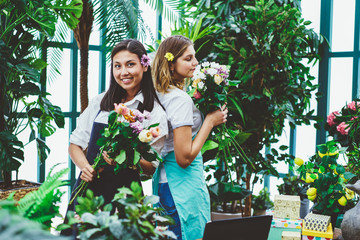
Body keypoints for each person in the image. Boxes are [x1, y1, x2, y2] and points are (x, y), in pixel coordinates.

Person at [61, 39, 167, 236]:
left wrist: (128, 157)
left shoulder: (155, 114)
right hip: (88, 193)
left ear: (144, 66)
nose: (123, 72)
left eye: (130, 64)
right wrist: (85, 167)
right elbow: (75, 145)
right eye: (117, 66)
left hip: (125, 198)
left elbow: (150, 169)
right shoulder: (99, 103)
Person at [151, 35, 228, 240]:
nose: (195, 63)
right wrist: (210, 121)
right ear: (171, 63)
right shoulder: (180, 100)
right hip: (182, 187)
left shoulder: (160, 93)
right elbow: (184, 158)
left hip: (165, 184)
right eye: (188, 58)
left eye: (195, 57)